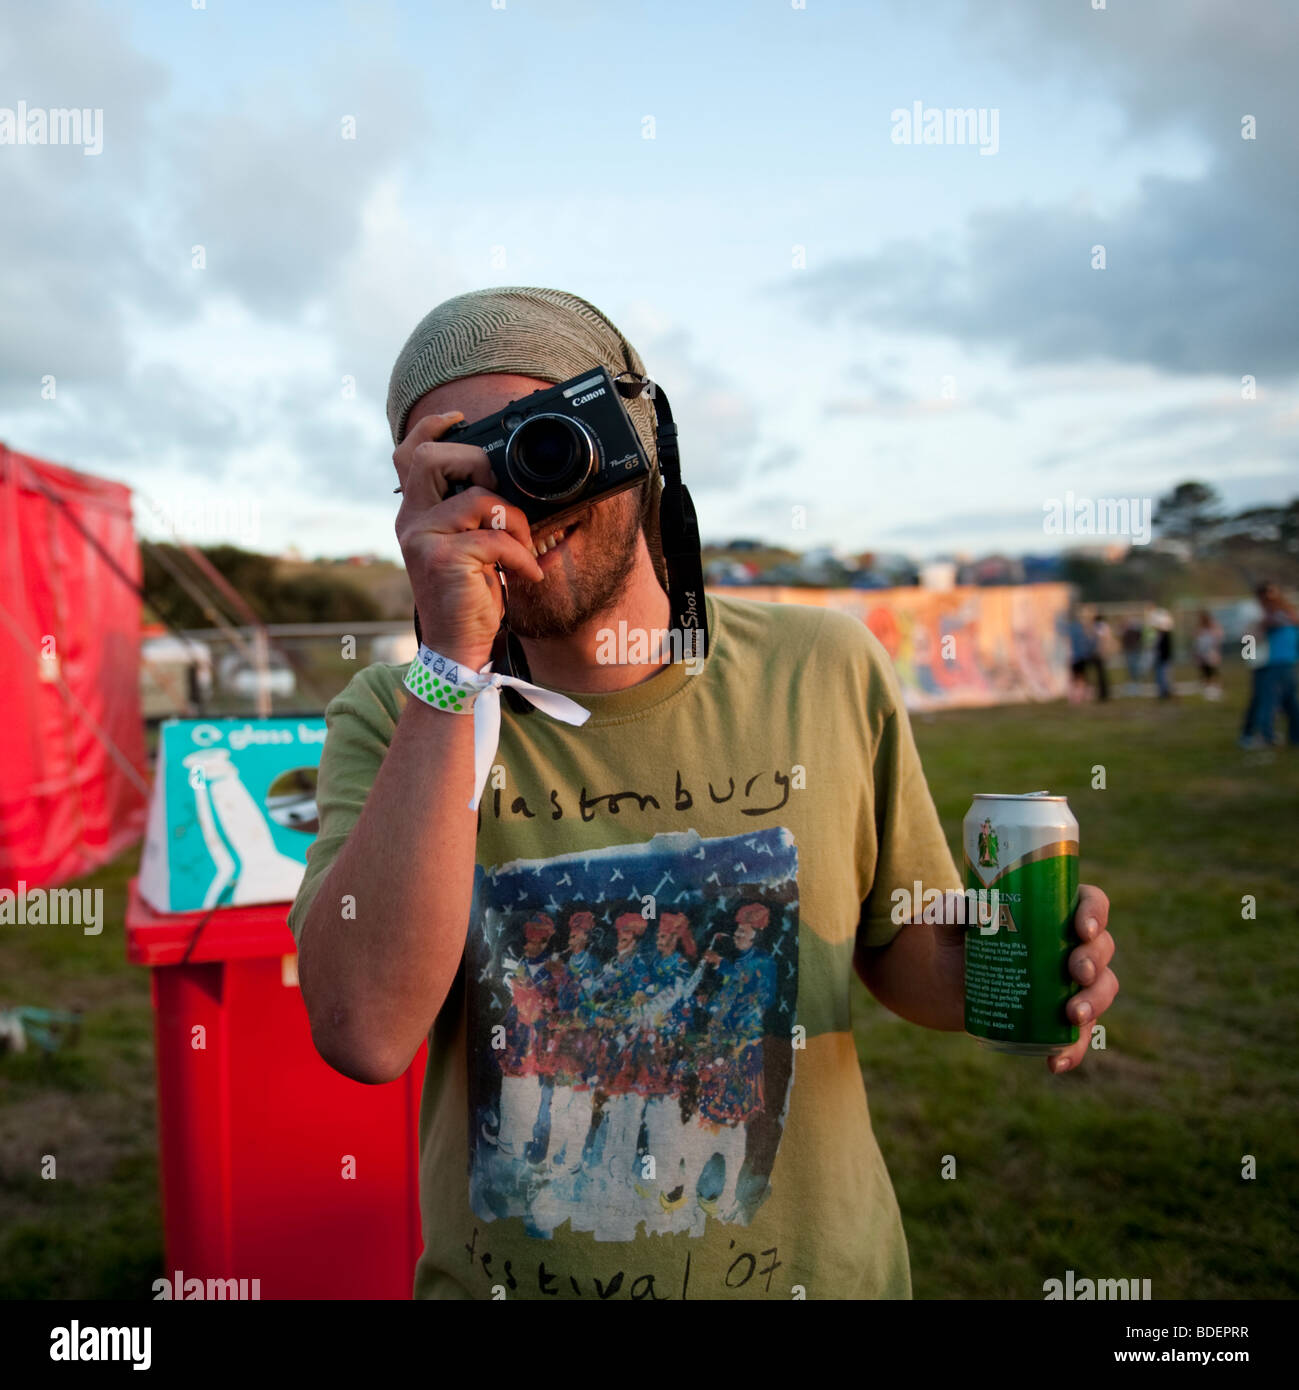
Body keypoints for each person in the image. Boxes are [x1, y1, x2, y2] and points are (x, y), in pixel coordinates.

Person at [288, 286, 1118, 1301]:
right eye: (465, 461)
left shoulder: (822, 665)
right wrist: (449, 664)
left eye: (546, 439)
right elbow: (365, 1032)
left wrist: (1017, 962)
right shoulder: (399, 712)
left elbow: (901, 952)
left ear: (637, 437)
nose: (518, 491)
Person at [1241, 583, 1299, 747]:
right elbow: (1248, 638)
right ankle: (1258, 734)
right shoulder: (1253, 612)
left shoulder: (1281, 612)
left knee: (1277, 700)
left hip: (1279, 661)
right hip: (1263, 663)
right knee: (1266, 699)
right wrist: (1250, 660)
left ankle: (1265, 735)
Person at [1192, 610, 1224, 701]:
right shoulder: (1200, 628)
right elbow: (1196, 639)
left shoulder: (1213, 626)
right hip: (1202, 653)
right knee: (1205, 671)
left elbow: (1219, 637)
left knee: (1213, 671)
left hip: (1211, 652)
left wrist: (1215, 650)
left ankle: (1216, 689)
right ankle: (1208, 689)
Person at [1150, 610, 1175, 699]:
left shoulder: (1165, 635)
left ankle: (1166, 693)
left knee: (1165, 677)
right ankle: (1162, 693)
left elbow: (1166, 649)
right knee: (1160, 677)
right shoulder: (1159, 635)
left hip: (1164, 659)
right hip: (1160, 659)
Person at [1090, 612, 1111, 702]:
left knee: (1101, 675)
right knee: (1102, 674)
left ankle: (1103, 694)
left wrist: (1101, 651)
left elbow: (1102, 640)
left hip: (1099, 653)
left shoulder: (1099, 626)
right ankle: (1104, 693)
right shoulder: (1104, 626)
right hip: (1101, 653)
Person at [1120, 616, 1145, 687]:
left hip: (1134, 651)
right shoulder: (1126, 631)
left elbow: (1139, 639)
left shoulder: (1134, 630)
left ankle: (1137, 683)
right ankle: (1134, 683)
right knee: (1131, 668)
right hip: (1130, 651)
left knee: (1135, 667)